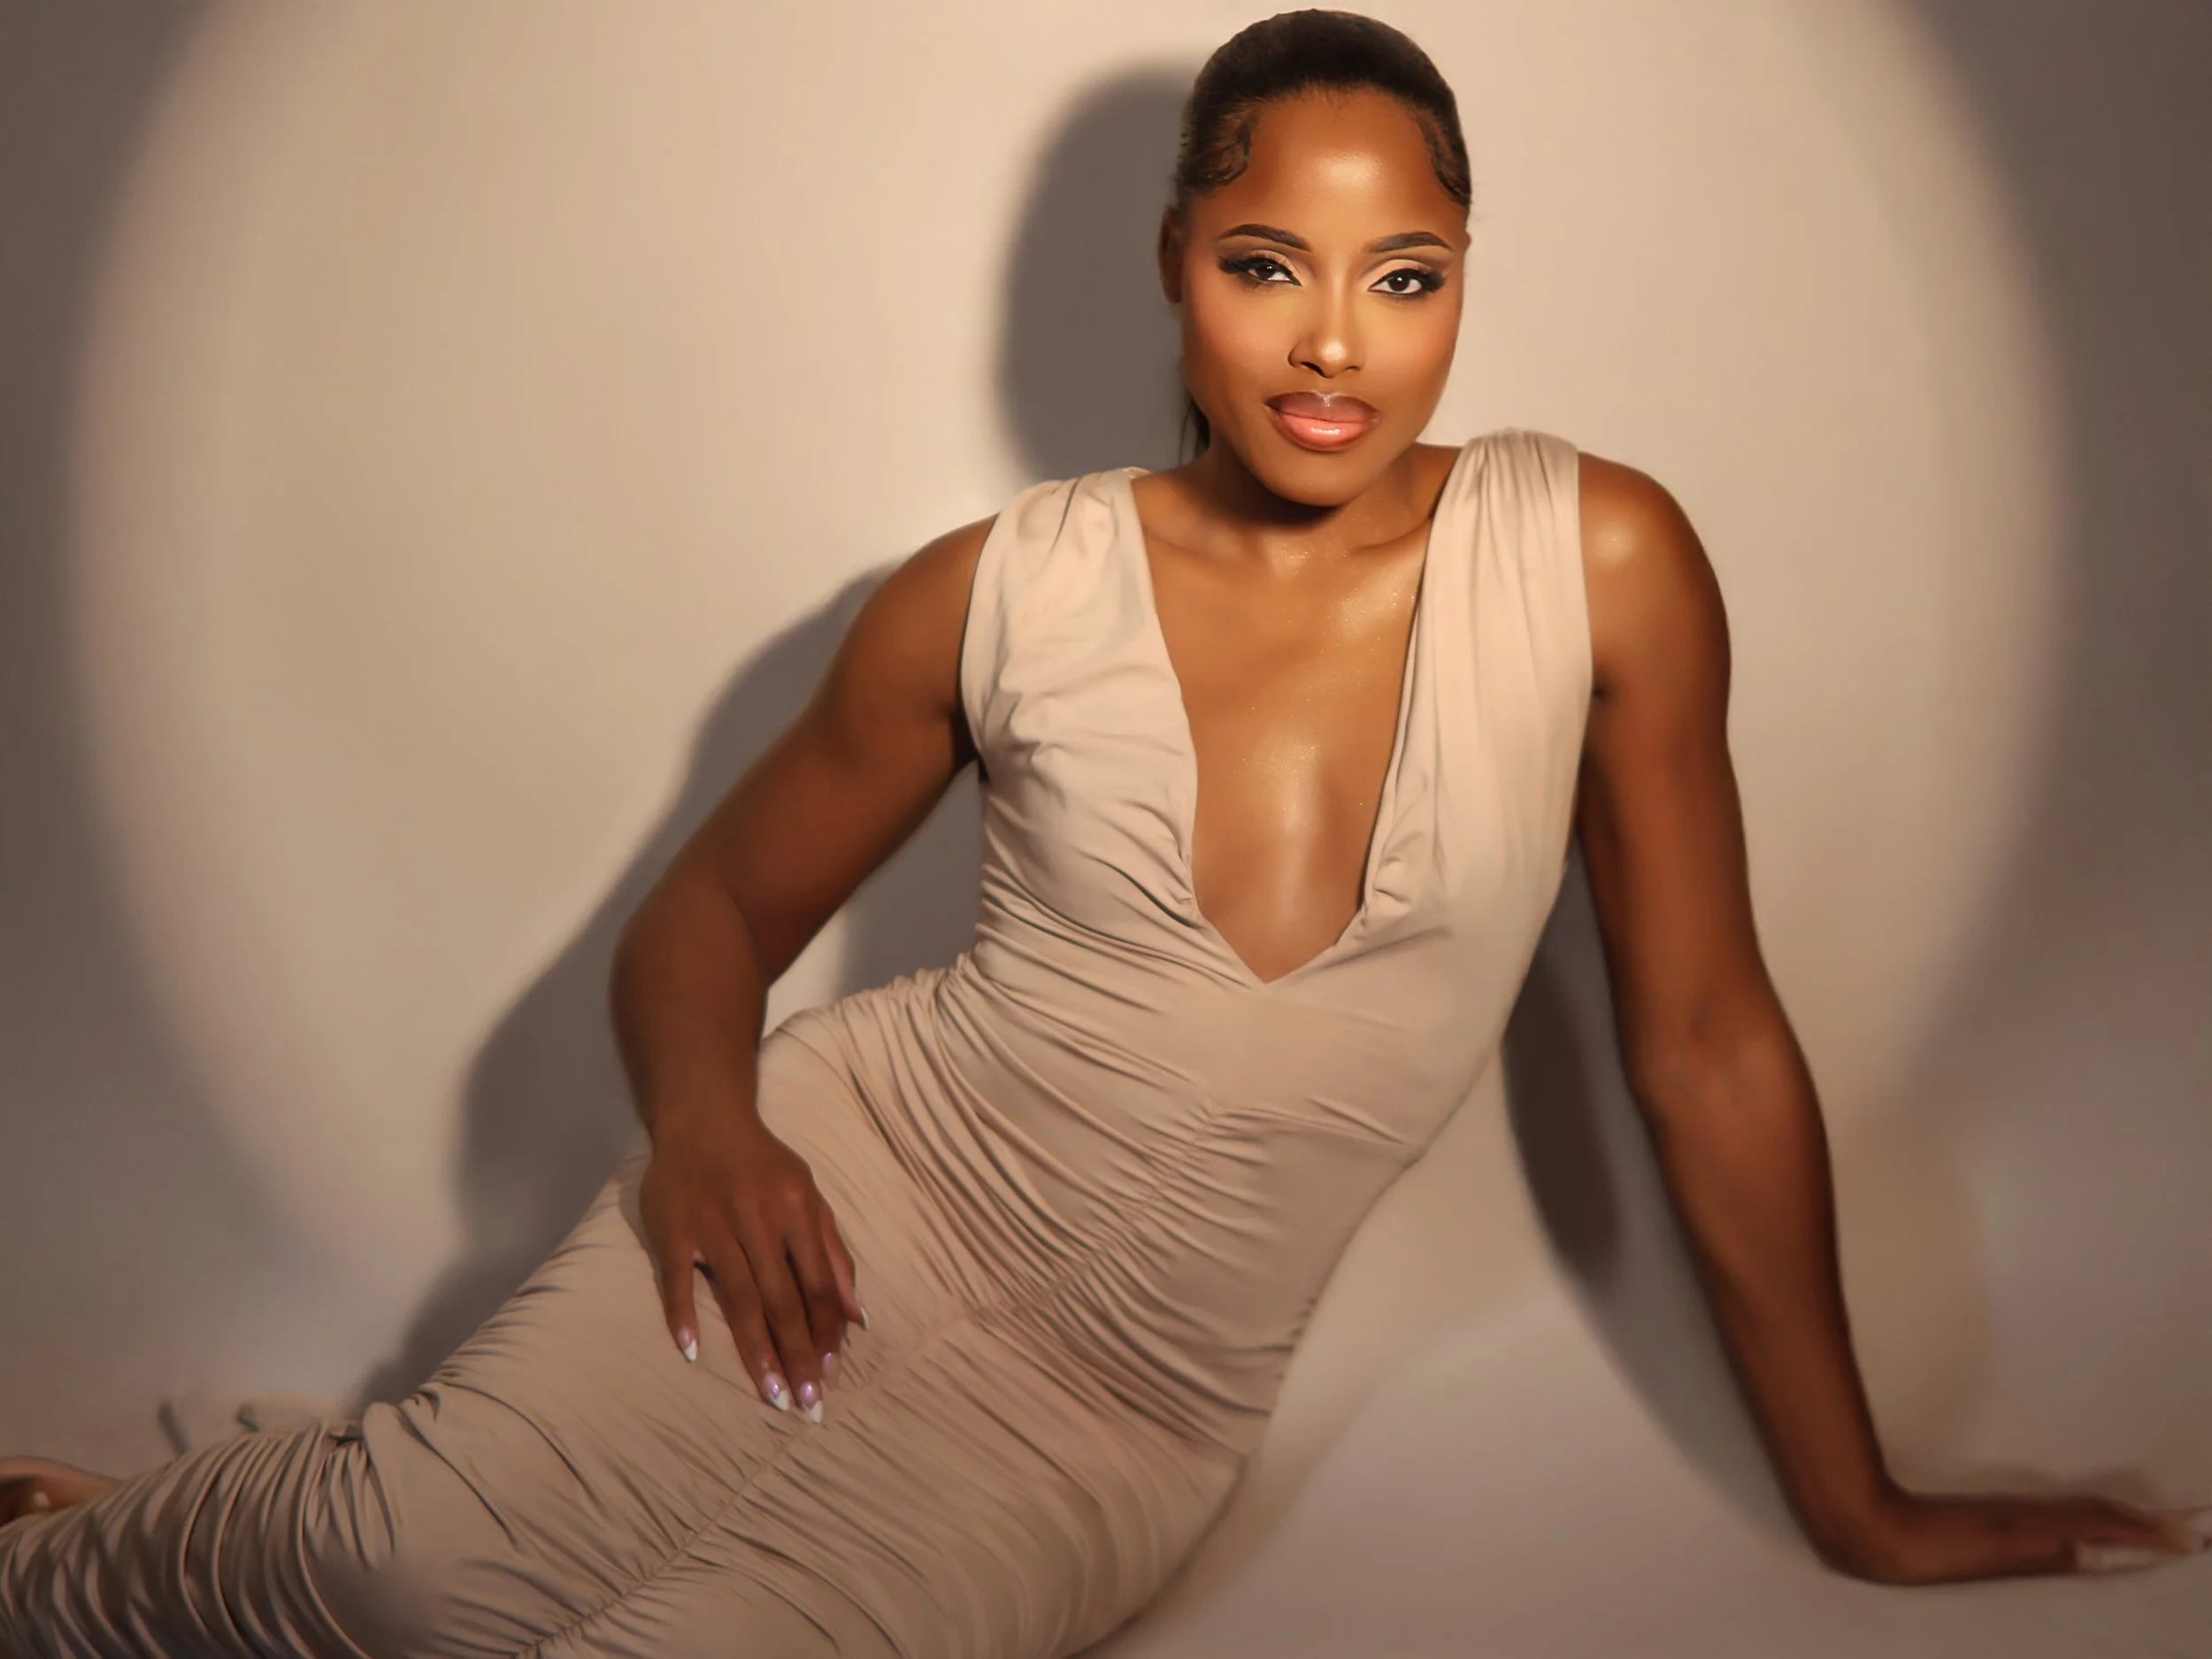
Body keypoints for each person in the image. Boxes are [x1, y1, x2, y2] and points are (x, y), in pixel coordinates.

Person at [3, 9, 2206, 1656]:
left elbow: (1707, 1049)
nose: (1333, 346)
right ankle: (90, 1553)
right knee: (401, 1572)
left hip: (1121, 1409)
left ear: (1463, 271)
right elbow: (702, 922)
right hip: (851, 1191)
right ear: (1173, 263)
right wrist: (710, 1127)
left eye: (1403, 275)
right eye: (1265, 264)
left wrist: (1857, 1505)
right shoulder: (1002, 590)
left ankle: (279, 1508)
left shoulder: (1601, 562)